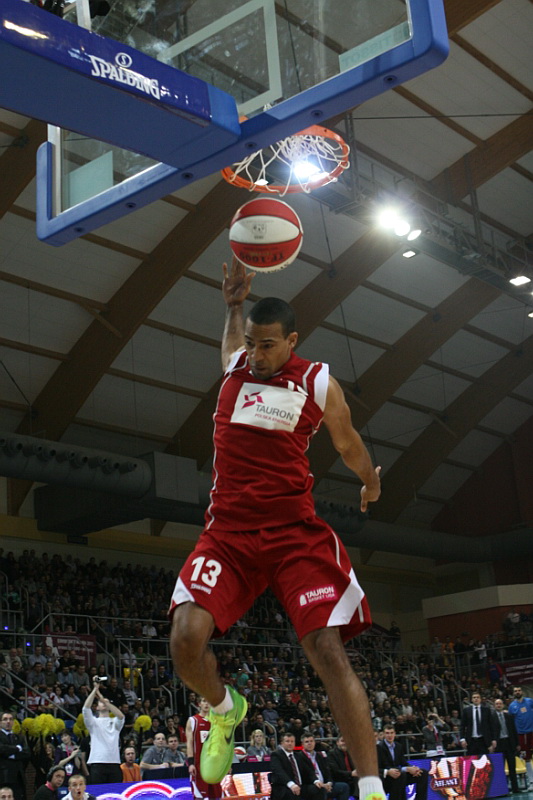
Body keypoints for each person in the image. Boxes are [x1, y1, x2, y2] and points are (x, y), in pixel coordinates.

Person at [169, 258, 384, 800]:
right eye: (251, 344)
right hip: (228, 536)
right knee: (184, 641)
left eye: (267, 345)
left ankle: (371, 787)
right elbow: (230, 346)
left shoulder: (316, 382)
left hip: (293, 534)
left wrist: (370, 482)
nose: (256, 355)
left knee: (326, 649)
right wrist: (233, 306)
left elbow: (348, 443)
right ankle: (225, 710)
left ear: (291, 341)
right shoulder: (236, 369)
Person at [82, 677, 124, 784]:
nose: (104, 702)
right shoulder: (93, 722)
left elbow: (121, 716)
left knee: (115, 792)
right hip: (98, 762)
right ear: (97, 707)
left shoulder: (115, 722)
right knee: (98, 791)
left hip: (114, 762)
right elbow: (85, 709)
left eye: (107, 702)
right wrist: (95, 690)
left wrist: (102, 698)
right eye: (101, 702)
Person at [377, 725, 427, 800]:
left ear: (395, 734)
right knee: (401, 775)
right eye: (387, 733)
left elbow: (404, 762)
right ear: (384, 734)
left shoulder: (398, 746)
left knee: (422, 773)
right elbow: (385, 766)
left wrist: (413, 768)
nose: (390, 735)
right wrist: (406, 769)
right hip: (387, 777)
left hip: (399, 774)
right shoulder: (379, 747)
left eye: (391, 733)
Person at [186, 698, 221, 800]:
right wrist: (191, 763)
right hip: (199, 765)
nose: (207, 704)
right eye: (204, 701)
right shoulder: (193, 720)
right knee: (199, 796)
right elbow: (189, 743)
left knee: (216, 796)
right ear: (199, 704)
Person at [301, 733, 350, 800]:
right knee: (320, 790)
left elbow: (327, 771)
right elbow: (307, 774)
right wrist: (320, 784)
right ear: (302, 744)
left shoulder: (320, 755)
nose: (309, 743)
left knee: (344, 787)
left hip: (325, 784)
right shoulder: (299, 757)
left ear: (314, 742)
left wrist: (329, 783)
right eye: (307, 742)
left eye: (311, 741)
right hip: (311, 785)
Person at [0, 711, 30, 800]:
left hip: (18, 776)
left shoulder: (18, 737)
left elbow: (27, 753)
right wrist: (17, 748)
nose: (8, 721)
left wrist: (11, 756)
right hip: (3, 776)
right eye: (5, 719)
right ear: (0, 722)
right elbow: (2, 749)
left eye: (10, 719)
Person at [492, 699, 520, 794]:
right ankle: (503, 789)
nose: (498, 705)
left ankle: (515, 788)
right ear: (494, 706)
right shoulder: (491, 717)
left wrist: (517, 743)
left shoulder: (509, 716)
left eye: (500, 703)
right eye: (497, 704)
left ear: (503, 705)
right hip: (499, 744)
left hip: (509, 743)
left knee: (512, 767)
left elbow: (514, 730)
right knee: (500, 768)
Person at [508, 686, 533, 787]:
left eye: (519, 690)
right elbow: (510, 721)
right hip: (521, 735)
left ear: (522, 691)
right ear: (513, 693)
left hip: (532, 732)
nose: (517, 692)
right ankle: (530, 780)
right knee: (525, 757)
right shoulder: (511, 706)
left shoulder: (530, 701)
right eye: (515, 691)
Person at [460, 692, 497, 757]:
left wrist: (493, 739)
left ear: (480, 699)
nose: (476, 699)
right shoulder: (466, 711)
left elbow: (492, 725)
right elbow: (462, 726)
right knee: (472, 760)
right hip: (471, 740)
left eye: (477, 697)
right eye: (474, 697)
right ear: (471, 699)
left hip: (483, 740)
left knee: (484, 759)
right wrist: (462, 739)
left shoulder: (486, 710)